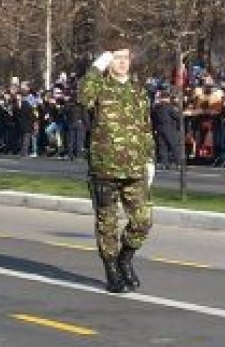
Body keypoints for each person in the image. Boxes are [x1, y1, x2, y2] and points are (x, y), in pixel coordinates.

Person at [78, 37, 155, 293]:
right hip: (105, 167)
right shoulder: (98, 87)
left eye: (126, 58)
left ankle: (125, 258)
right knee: (107, 223)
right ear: (109, 61)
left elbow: (145, 128)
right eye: (117, 58)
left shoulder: (138, 91)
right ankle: (111, 270)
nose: (122, 62)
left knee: (143, 220)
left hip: (135, 168)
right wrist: (95, 68)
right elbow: (82, 97)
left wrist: (149, 159)